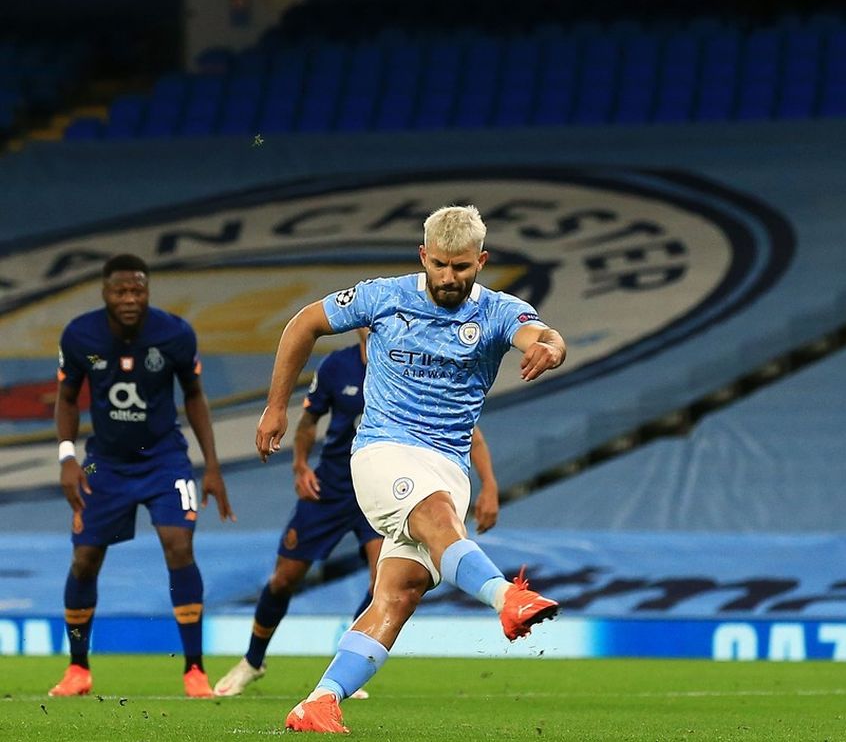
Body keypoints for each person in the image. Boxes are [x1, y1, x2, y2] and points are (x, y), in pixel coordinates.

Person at [255, 205, 565, 733]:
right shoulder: (383, 296)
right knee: (436, 515)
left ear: (481, 262)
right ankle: (505, 597)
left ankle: (320, 701)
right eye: (440, 265)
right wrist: (276, 405)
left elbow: (542, 333)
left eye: (462, 268)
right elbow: (304, 322)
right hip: (383, 451)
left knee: (398, 594)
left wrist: (550, 350)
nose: (450, 277)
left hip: (448, 463)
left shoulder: (496, 311)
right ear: (423, 256)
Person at [215, 328, 502, 697]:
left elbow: (468, 431)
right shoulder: (337, 365)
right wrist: (300, 466)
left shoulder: (415, 363)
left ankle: (347, 660)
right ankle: (253, 661)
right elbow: (308, 422)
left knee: (382, 580)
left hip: (389, 491)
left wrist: (489, 485)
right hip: (332, 489)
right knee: (285, 577)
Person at [49, 253, 235, 698]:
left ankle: (194, 670)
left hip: (164, 459)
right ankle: (78, 669)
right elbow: (67, 398)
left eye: (138, 290)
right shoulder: (80, 336)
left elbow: (194, 397)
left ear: (147, 291)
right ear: (105, 293)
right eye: (121, 291)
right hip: (103, 464)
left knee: (178, 545)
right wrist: (66, 458)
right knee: (84, 559)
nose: (130, 298)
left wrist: (210, 465)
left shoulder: (174, 333)